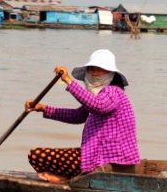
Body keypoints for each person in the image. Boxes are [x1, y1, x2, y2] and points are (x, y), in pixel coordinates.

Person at [25, 49, 140, 182]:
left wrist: (68, 81)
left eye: (99, 69)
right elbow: (77, 116)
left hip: (110, 158)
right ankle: (67, 177)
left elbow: (98, 106)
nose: (94, 73)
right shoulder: (99, 96)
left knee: (37, 154)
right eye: (91, 69)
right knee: (36, 156)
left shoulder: (113, 92)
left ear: (111, 74)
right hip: (96, 155)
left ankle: (66, 177)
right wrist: (43, 108)